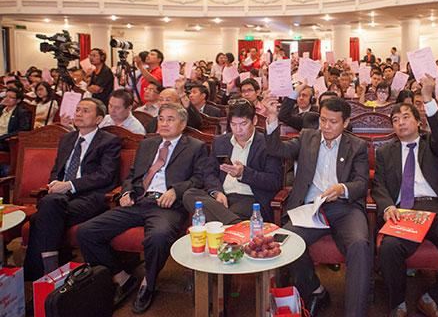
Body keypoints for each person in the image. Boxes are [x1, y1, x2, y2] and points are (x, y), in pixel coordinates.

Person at [77, 103, 208, 313]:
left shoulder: (195, 146)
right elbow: (132, 175)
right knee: (86, 232)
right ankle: (122, 278)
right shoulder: (148, 144)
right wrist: (126, 192)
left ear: (183, 124)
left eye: (170, 119)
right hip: (138, 202)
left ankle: (149, 282)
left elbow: (200, 178)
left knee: (158, 237)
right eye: (161, 119)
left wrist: (176, 190)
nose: (164, 123)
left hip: (167, 206)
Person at [373, 76, 438, 317]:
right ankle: (398, 303)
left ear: (419, 122)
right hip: (404, 212)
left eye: (405, 117)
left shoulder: (433, 144)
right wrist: (387, 206)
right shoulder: (386, 152)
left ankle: (433, 298)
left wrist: (428, 99)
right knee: (389, 248)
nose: (400, 122)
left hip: (437, 210)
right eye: (395, 120)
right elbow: (379, 185)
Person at [263, 96, 372, 317]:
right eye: (323, 120)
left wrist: (342, 188)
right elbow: (276, 150)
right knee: (286, 241)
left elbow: (362, 183)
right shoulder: (307, 137)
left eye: (333, 122)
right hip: (311, 208)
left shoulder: (357, 146)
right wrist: (272, 120)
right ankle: (315, 289)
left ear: (345, 122)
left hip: (345, 208)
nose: (326, 126)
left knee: (360, 245)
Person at [24, 98, 121, 280]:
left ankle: (42, 274)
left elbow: (105, 175)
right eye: (77, 110)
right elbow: (57, 170)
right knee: (50, 206)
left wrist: (70, 185)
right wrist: (54, 183)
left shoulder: (109, 141)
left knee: (40, 218)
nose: (79, 114)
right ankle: (51, 271)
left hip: (90, 197)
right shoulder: (67, 139)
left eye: (85, 111)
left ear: (99, 119)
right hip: (61, 197)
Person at [182, 100, 282, 223]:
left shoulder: (267, 144)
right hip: (222, 196)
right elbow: (209, 173)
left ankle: (228, 222)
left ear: (254, 120)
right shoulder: (221, 142)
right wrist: (217, 192)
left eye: (243, 124)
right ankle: (234, 223)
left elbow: (274, 181)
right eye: (233, 124)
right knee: (189, 194)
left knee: (221, 213)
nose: (238, 130)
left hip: (251, 198)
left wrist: (243, 174)